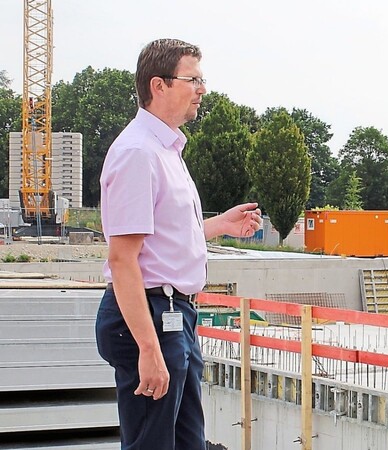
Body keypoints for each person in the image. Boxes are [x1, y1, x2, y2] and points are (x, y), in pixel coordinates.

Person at [95, 38, 263, 450]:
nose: (202, 89)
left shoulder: (165, 149)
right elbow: (123, 260)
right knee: (152, 444)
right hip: (149, 316)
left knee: (189, 442)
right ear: (159, 85)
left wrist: (220, 224)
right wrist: (148, 349)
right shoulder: (138, 152)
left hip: (175, 314)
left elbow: (163, 240)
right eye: (194, 79)